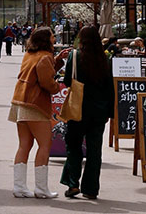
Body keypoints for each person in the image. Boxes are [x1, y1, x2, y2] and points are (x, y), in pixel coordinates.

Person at [9, 26, 68, 199]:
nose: (54, 39)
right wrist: (58, 86)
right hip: (35, 105)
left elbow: (40, 70)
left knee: (24, 145)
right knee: (45, 144)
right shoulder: (45, 57)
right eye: (52, 36)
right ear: (46, 40)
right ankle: (41, 189)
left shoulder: (30, 54)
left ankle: (19, 186)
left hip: (20, 102)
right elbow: (47, 82)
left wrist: (57, 60)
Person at [60, 26, 115, 200]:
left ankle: (72, 183)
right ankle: (91, 188)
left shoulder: (75, 56)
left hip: (78, 108)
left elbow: (68, 80)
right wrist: (110, 112)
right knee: (94, 150)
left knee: (74, 146)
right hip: (98, 111)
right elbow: (110, 88)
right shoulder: (104, 59)